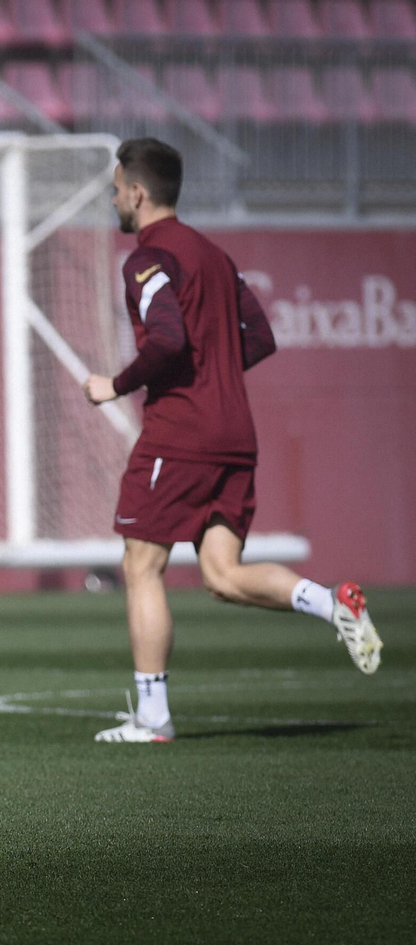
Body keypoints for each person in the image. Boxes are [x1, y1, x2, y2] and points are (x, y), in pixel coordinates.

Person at [83, 137, 381, 744]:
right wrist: (214, 375)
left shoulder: (146, 259)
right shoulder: (214, 255)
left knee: (142, 564)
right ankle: (333, 605)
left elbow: (165, 342)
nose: (113, 199)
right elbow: (260, 336)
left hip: (181, 434)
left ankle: (153, 717)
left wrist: (114, 385)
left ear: (137, 193)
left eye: (116, 189)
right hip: (235, 434)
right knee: (221, 574)